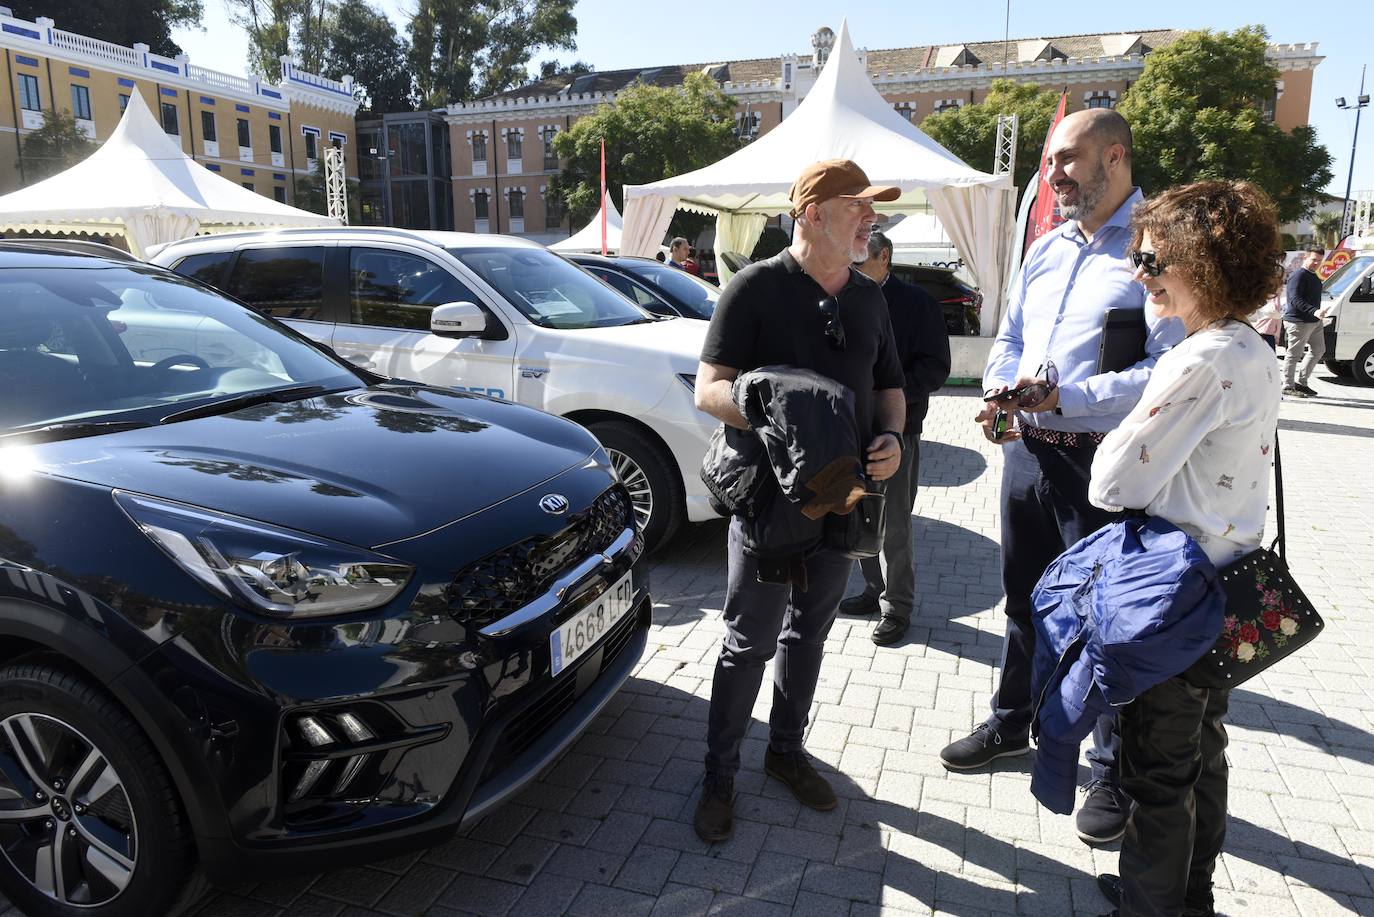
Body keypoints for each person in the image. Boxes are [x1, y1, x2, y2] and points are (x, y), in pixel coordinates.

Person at [938, 108, 1184, 848]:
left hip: (1104, 464)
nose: (1054, 176)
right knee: (1025, 599)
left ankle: (1112, 769)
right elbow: (1011, 335)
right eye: (1049, 163)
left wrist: (1068, 398)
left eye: (1067, 160)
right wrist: (999, 389)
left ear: (1115, 157)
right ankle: (1014, 724)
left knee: (1105, 619)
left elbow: (1166, 373)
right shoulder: (1045, 248)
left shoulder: (1160, 250)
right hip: (1027, 449)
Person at [692, 159, 907, 842]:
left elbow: (890, 387)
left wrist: (895, 438)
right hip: (768, 505)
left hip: (842, 501)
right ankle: (718, 774)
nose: (871, 219)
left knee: (808, 634)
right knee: (747, 641)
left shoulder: (871, 296)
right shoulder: (754, 288)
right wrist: (768, 407)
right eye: (858, 207)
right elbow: (708, 389)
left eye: (873, 209)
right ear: (811, 212)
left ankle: (785, 751)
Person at [1087, 180, 1284, 917]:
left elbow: (1113, 481)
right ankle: (1183, 895)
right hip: (1229, 588)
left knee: (1157, 768)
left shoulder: (1201, 359)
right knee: (1202, 750)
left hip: (1176, 595)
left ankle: (1151, 906)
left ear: (1199, 263)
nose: (1141, 270)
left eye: (1152, 256)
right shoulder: (1255, 349)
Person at [839, 229, 951, 645]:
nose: (852, 267)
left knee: (896, 525)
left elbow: (936, 367)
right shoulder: (844, 296)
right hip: (851, 431)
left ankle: (897, 607)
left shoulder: (917, 303)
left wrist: (889, 397)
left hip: (897, 431)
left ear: (884, 257)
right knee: (858, 515)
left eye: (860, 260)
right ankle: (872, 589)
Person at [1281, 246, 1328, 397]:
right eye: (1314, 260)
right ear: (1305, 258)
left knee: (1319, 350)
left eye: (1319, 261)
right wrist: (1314, 311)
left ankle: (1301, 382)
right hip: (1298, 321)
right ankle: (1287, 385)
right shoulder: (1298, 275)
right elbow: (1294, 300)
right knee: (1294, 355)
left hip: (1314, 321)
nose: (1316, 263)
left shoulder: (1313, 275)